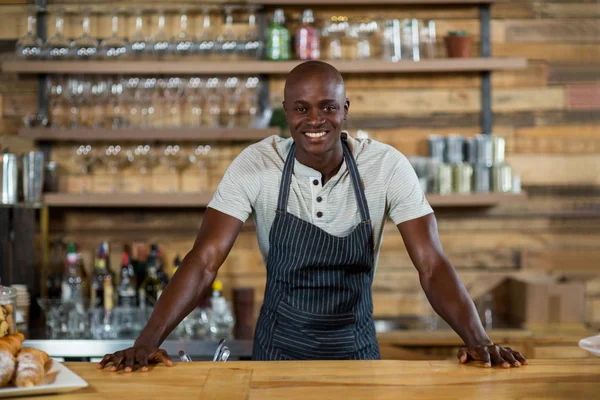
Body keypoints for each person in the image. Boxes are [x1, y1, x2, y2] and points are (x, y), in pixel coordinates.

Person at [98, 61, 527, 371]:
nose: (315, 120)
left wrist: (479, 341)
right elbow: (205, 258)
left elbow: (432, 264)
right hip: (276, 357)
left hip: (356, 355)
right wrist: (148, 342)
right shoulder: (256, 165)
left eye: (328, 107)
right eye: (301, 109)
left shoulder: (386, 166)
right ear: (287, 113)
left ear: (346, 110)